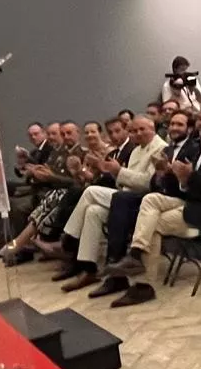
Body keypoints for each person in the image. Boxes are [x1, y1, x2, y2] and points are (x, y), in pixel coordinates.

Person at [97, 106, 201, 307]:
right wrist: (169, 173)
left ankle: (143, 285)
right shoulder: (197, 144)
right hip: (190, 200)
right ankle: (135, 255)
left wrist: (190, 176)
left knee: (153, 224)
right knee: (150, 199)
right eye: (200, 118)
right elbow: (184, 185)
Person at [49, 117, 167, 288]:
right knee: (93, 211)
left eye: (142, 129)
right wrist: (113, 172)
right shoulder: (136, 150)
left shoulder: (160, 148)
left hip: (143, 201)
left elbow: (149, 183)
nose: (137, 134)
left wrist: (119, 171)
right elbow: (123, 181)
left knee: (89, 191)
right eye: (134, 131)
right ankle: (88, 269)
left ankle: (68, 240)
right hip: (125, 197)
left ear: (153, 128)